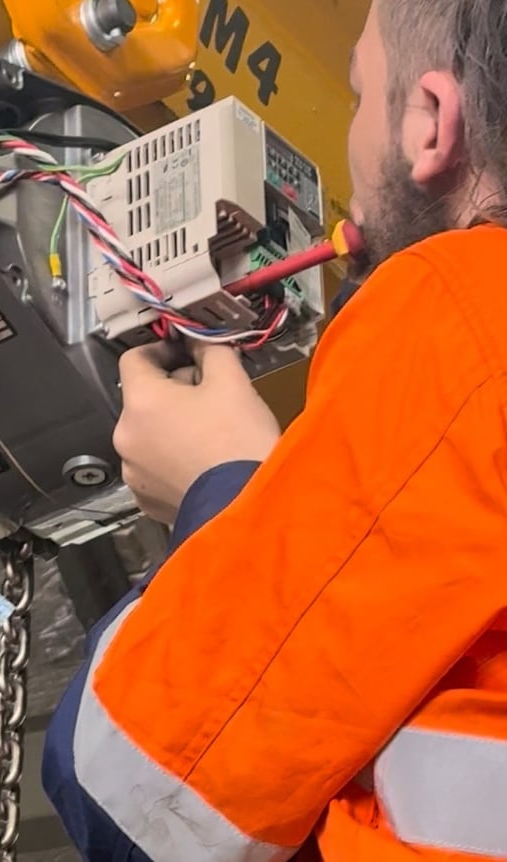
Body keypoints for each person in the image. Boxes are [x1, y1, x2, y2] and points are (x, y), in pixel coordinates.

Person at [41, 0, 507, 858]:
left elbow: (132, 798)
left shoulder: (465, 310)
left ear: (433, 123)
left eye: (363, 98)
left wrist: (221, 487)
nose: (350, 148)